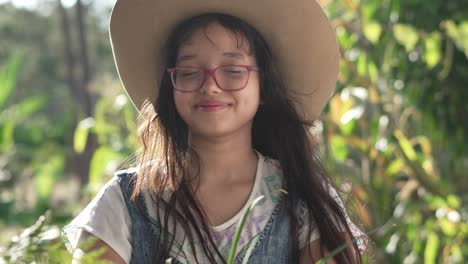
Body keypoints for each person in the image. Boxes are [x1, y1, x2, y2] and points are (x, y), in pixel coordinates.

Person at [62, 0, 368, 263]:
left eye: (233, 71)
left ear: (264, 87)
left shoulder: (304, 198)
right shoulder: (124, 202)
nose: (210, 85)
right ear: (171, 87)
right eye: (190, 72)